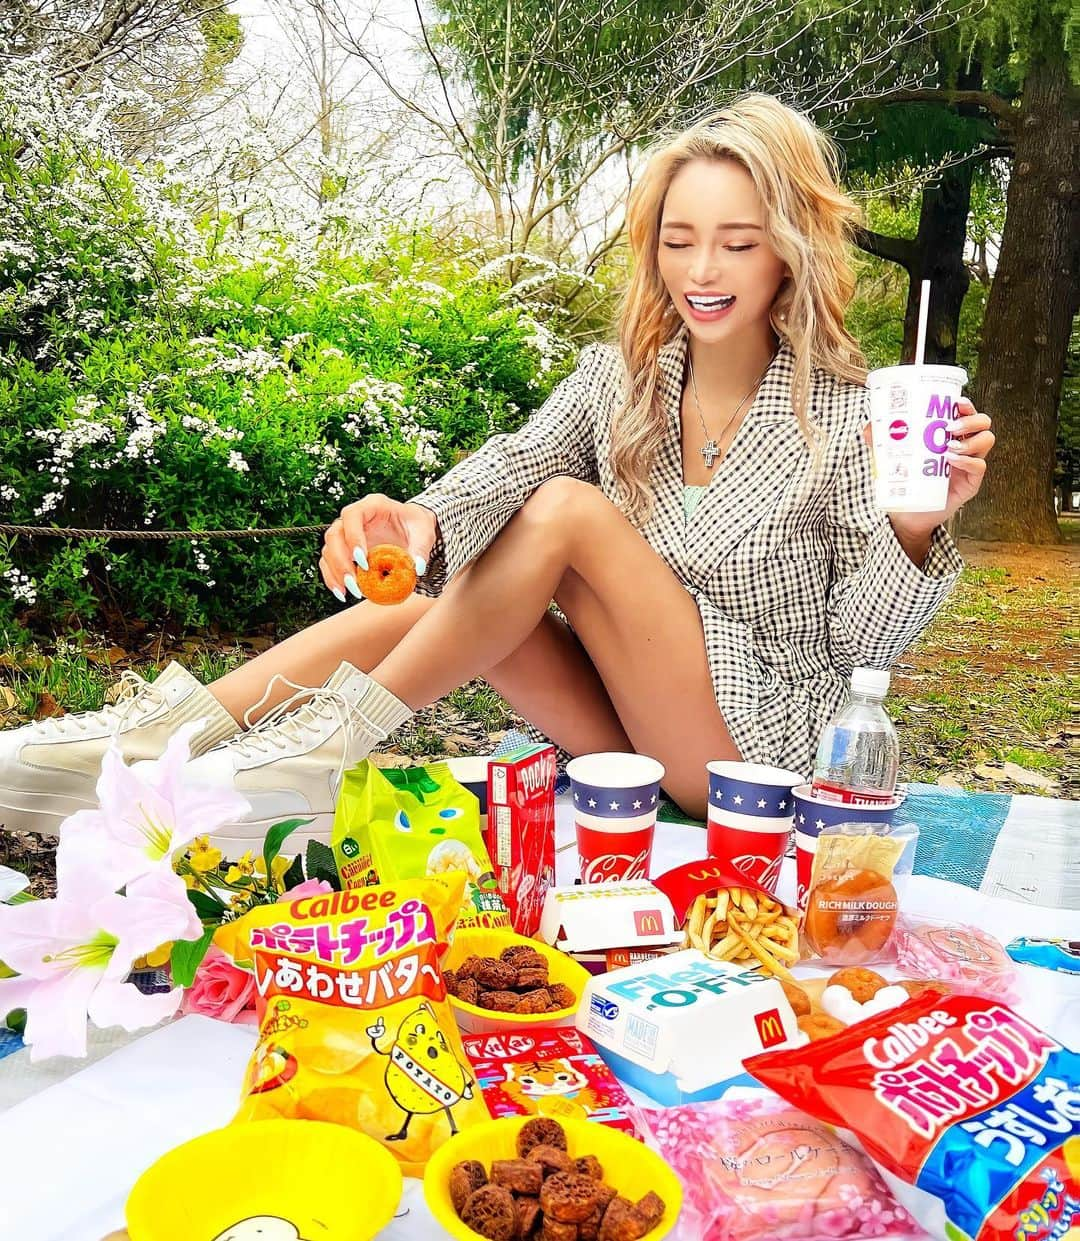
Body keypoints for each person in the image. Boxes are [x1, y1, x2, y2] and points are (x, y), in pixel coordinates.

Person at [0, 94, 993, 847]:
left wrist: (914, 524)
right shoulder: (619, 382)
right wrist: (419, 523)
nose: (702, 271)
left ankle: (320, 750)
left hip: (759, 752)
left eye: (737, 244)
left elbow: (862, 645)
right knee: (440, 592)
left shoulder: (854, 415)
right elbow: (512, 466)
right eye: (679, 240)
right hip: (619, 728)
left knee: (565, 514)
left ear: (788, 254)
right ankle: (145, 746)